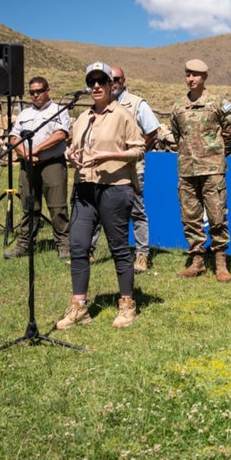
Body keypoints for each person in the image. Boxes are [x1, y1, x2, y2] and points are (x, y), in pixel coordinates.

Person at [54, 62, 145, 330]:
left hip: (115, 187)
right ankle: (79, 307)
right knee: (79, 246)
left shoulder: (123, 115)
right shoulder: (82, 118)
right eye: (91, 82)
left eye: (101, 81)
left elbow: (139, 149)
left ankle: (127, 304)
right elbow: (74, 148)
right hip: (84, 188)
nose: (96, 86)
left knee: (118, 247)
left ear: (110, 85)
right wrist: (70, 155)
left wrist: (110, 155)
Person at [169, 59, 231, 283]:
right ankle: (197, 260)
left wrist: (216, 154)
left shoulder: (218, 103)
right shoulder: (178, 106)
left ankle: (220, 262)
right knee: (190, 217)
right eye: (188, 74)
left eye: (196, 75)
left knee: (217, 216)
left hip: (212, 170)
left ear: (205, 77)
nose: (191, 79)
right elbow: (177, 135)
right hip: (187, 170)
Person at [88, 66, 160, 273]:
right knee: (98, 211)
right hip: (103, 170)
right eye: (109, 79)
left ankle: (142, 255)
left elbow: (152, 131)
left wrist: (134, 154)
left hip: (131, 170)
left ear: (123, 80)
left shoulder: (137, 103)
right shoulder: (100, 104)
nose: (114, 82)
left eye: (117, 78)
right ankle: (89, 252)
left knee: (137, 212)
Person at [4, 77, 71, 261]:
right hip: (28, 165)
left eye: (39, 91)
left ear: (47, 90)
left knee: (57, 207)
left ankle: (64, 245)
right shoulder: (25, 114)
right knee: (28, 205)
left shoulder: (58, 110)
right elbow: (13, 136)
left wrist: (36, 149)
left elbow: (60, 134)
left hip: (52, 164)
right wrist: (25, 152)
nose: (35, 95)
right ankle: (25, 244)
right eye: (32, 92)